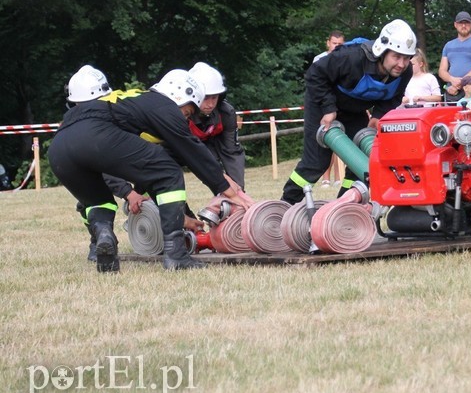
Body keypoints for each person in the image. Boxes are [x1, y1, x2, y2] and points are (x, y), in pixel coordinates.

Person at [49, 66, 252, 272]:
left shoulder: (134, 102)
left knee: (99, 201)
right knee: (168, 172)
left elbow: (150, 178)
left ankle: (103, 235)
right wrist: (228, 191)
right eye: (188, 112)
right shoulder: (164, 105)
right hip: (95, 135)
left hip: (59, 148)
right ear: (180, 96)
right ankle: (176, 256)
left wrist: (181, 219)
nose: (186, 119)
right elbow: (193, 151)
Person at [281, 19, 416, 204]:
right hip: (322, 104)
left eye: (406, 58)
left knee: (361, 163)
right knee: (316, 163)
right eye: (396, 57)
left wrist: (378, 116)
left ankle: (344, 207)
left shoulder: (405, 72)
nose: (401, 64)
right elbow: (314, 74)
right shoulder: (351, 58)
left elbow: (394, 96)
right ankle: (284, 205)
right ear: (382, 51)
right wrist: (328, 108)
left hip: (354, 110)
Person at [188, 62, 246, 188]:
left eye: (214, 98)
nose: (210, 104)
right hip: (181, 149)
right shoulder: (180, 114)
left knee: (234, 189)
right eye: (205, 98)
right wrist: (222, 182)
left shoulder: (226, 113)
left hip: (212, 145)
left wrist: (237, 189)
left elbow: (232, 152)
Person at [313, 32, 347, 186]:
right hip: (323, 107)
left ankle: (339, 178)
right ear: (328, 43)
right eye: (334, 43)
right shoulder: (319, 60)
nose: (337, 46)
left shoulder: (346, 60)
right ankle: (325, 178)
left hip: (340, 106)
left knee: (339, 142)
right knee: (324, 141)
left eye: (340, 44)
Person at [438, 11, 471, 103]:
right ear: (455, 25)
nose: (464, 26)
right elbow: (442, 71)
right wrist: (452, 80)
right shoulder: (448, 45)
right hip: (452, 91)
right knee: (451, 117)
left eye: (467, 23)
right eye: (461, 23)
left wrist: (461, 83)